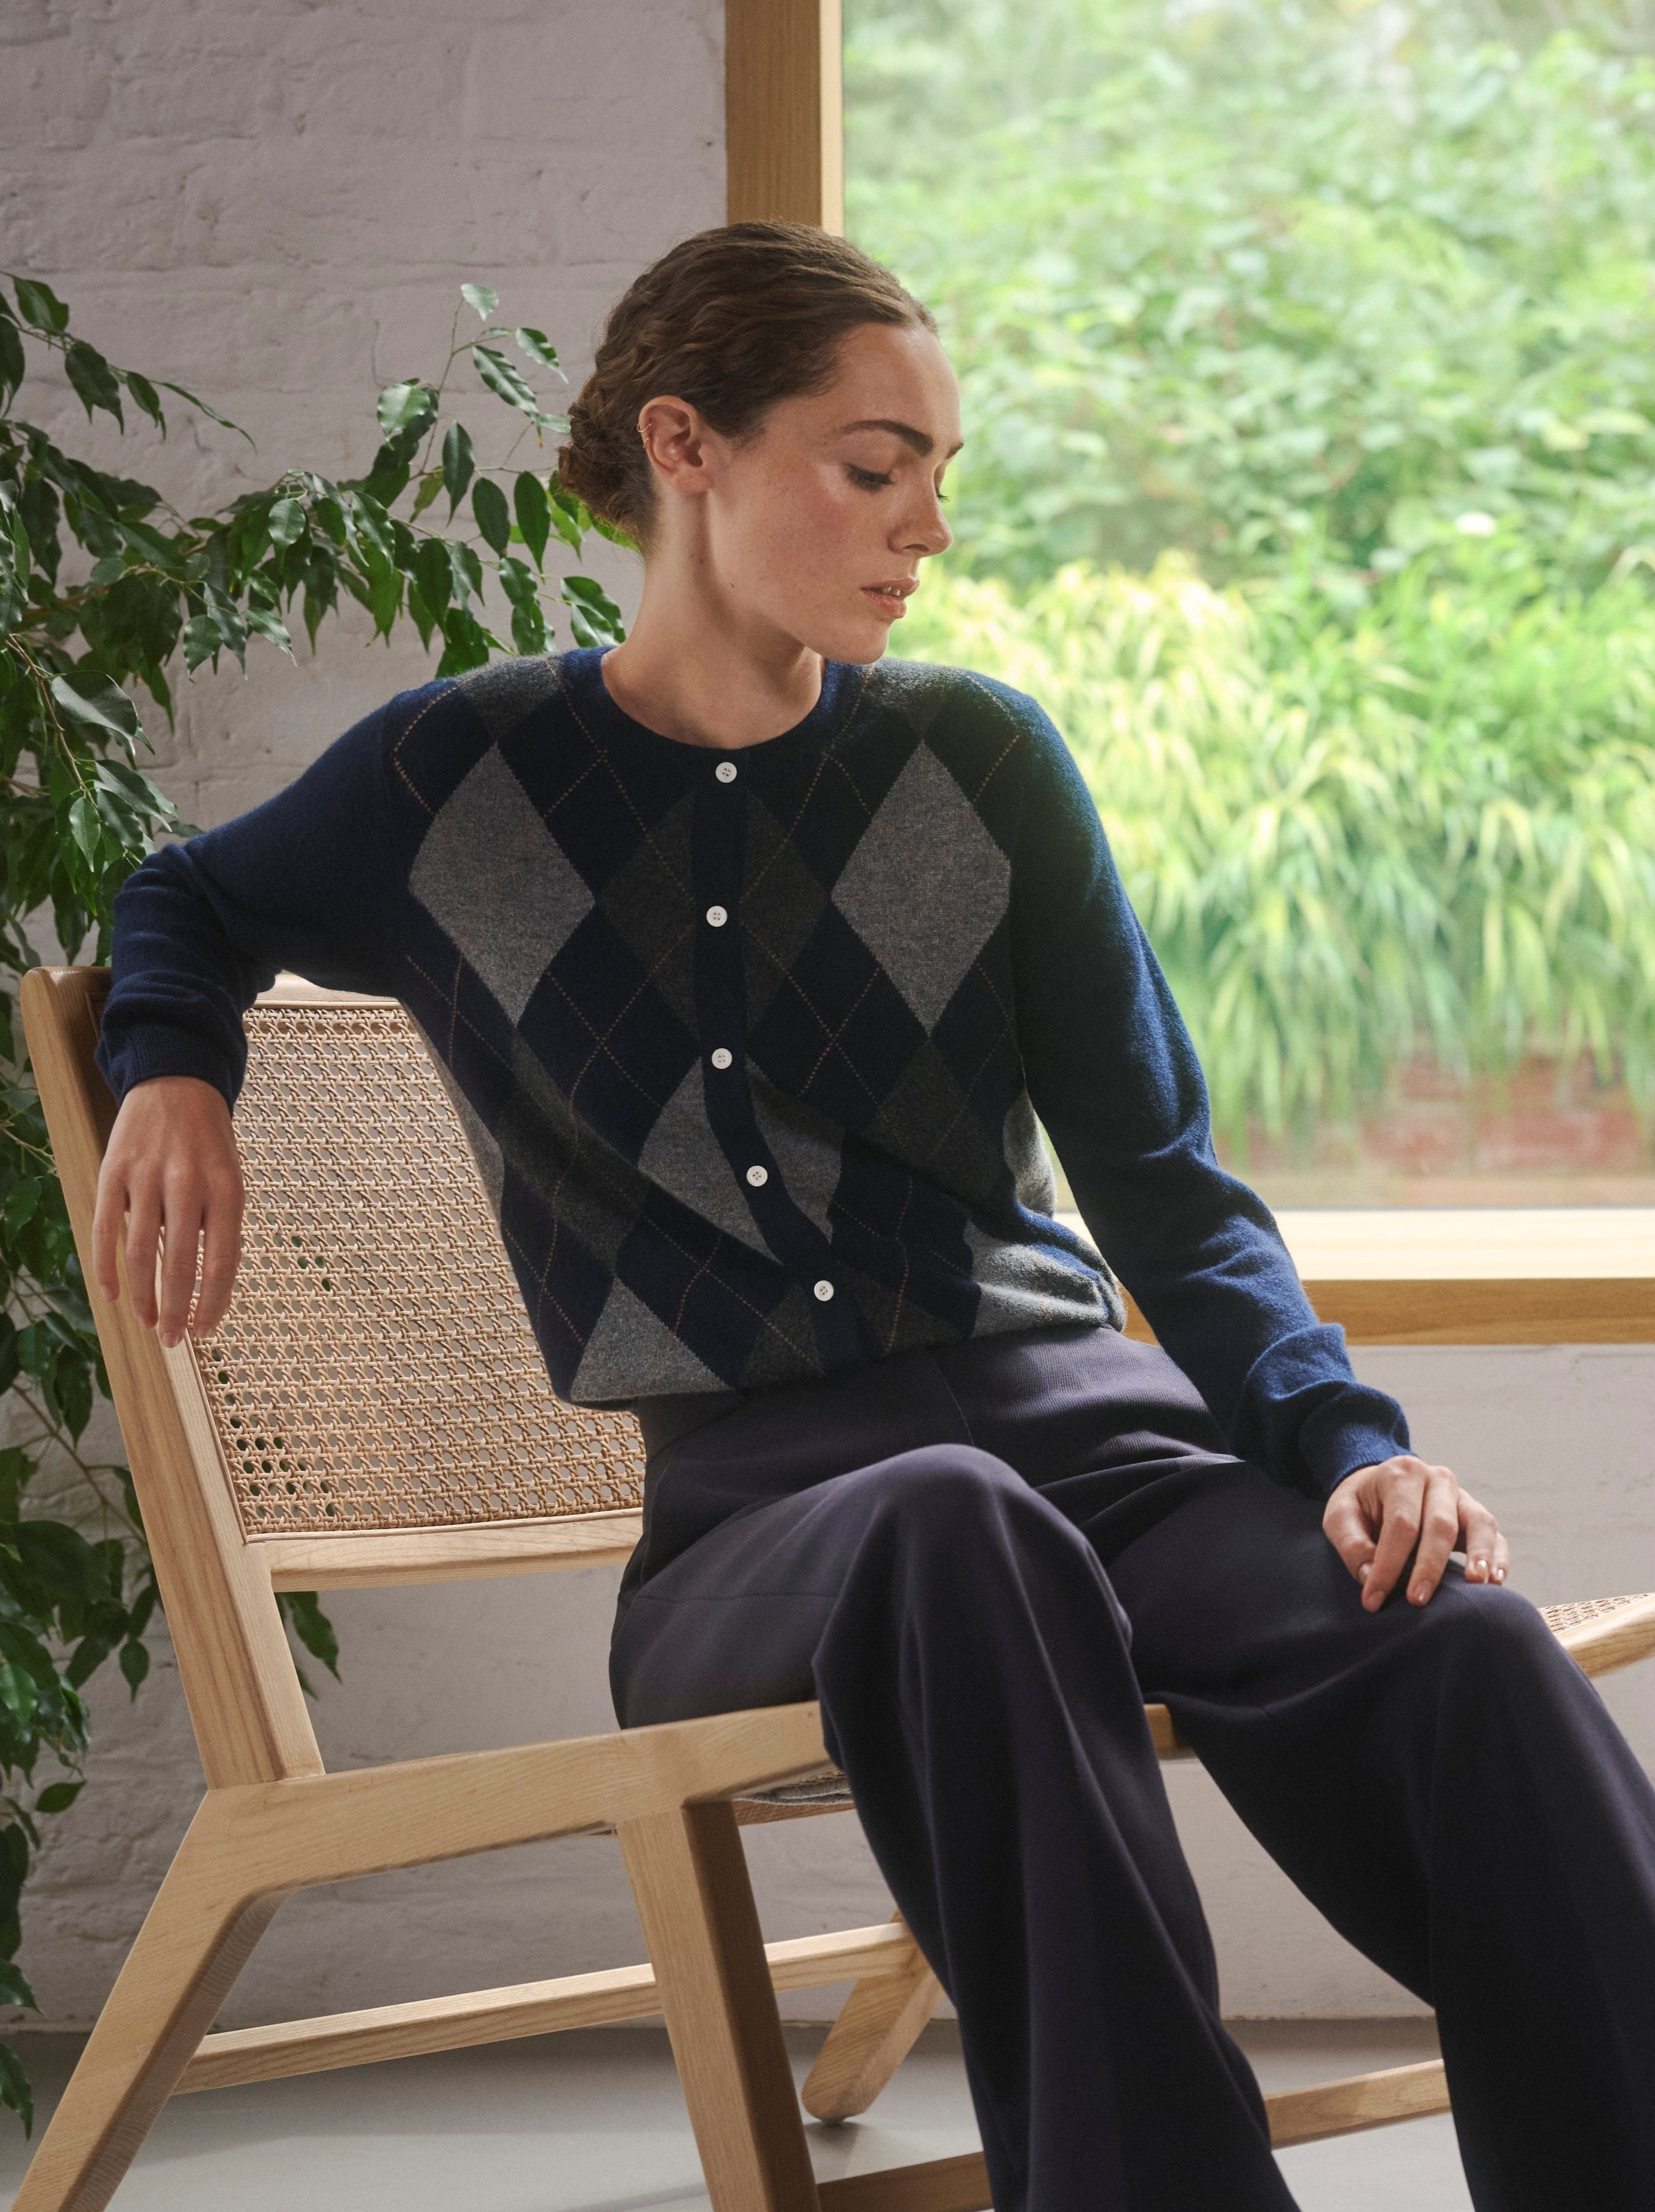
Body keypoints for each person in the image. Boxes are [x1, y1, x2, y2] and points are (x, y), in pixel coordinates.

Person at [91, 223, 1655, 2212]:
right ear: (689, 446)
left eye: (940, 474)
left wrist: (1350, 1447)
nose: (925, 524)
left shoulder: (978, 764)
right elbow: (187, 897)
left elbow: (1163, 1185)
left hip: (1114, 1453)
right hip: (768, 1530)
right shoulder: (455, 779)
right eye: (873, 462)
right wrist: (170, 1066)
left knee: (1458, 1642)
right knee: (954, 1521)